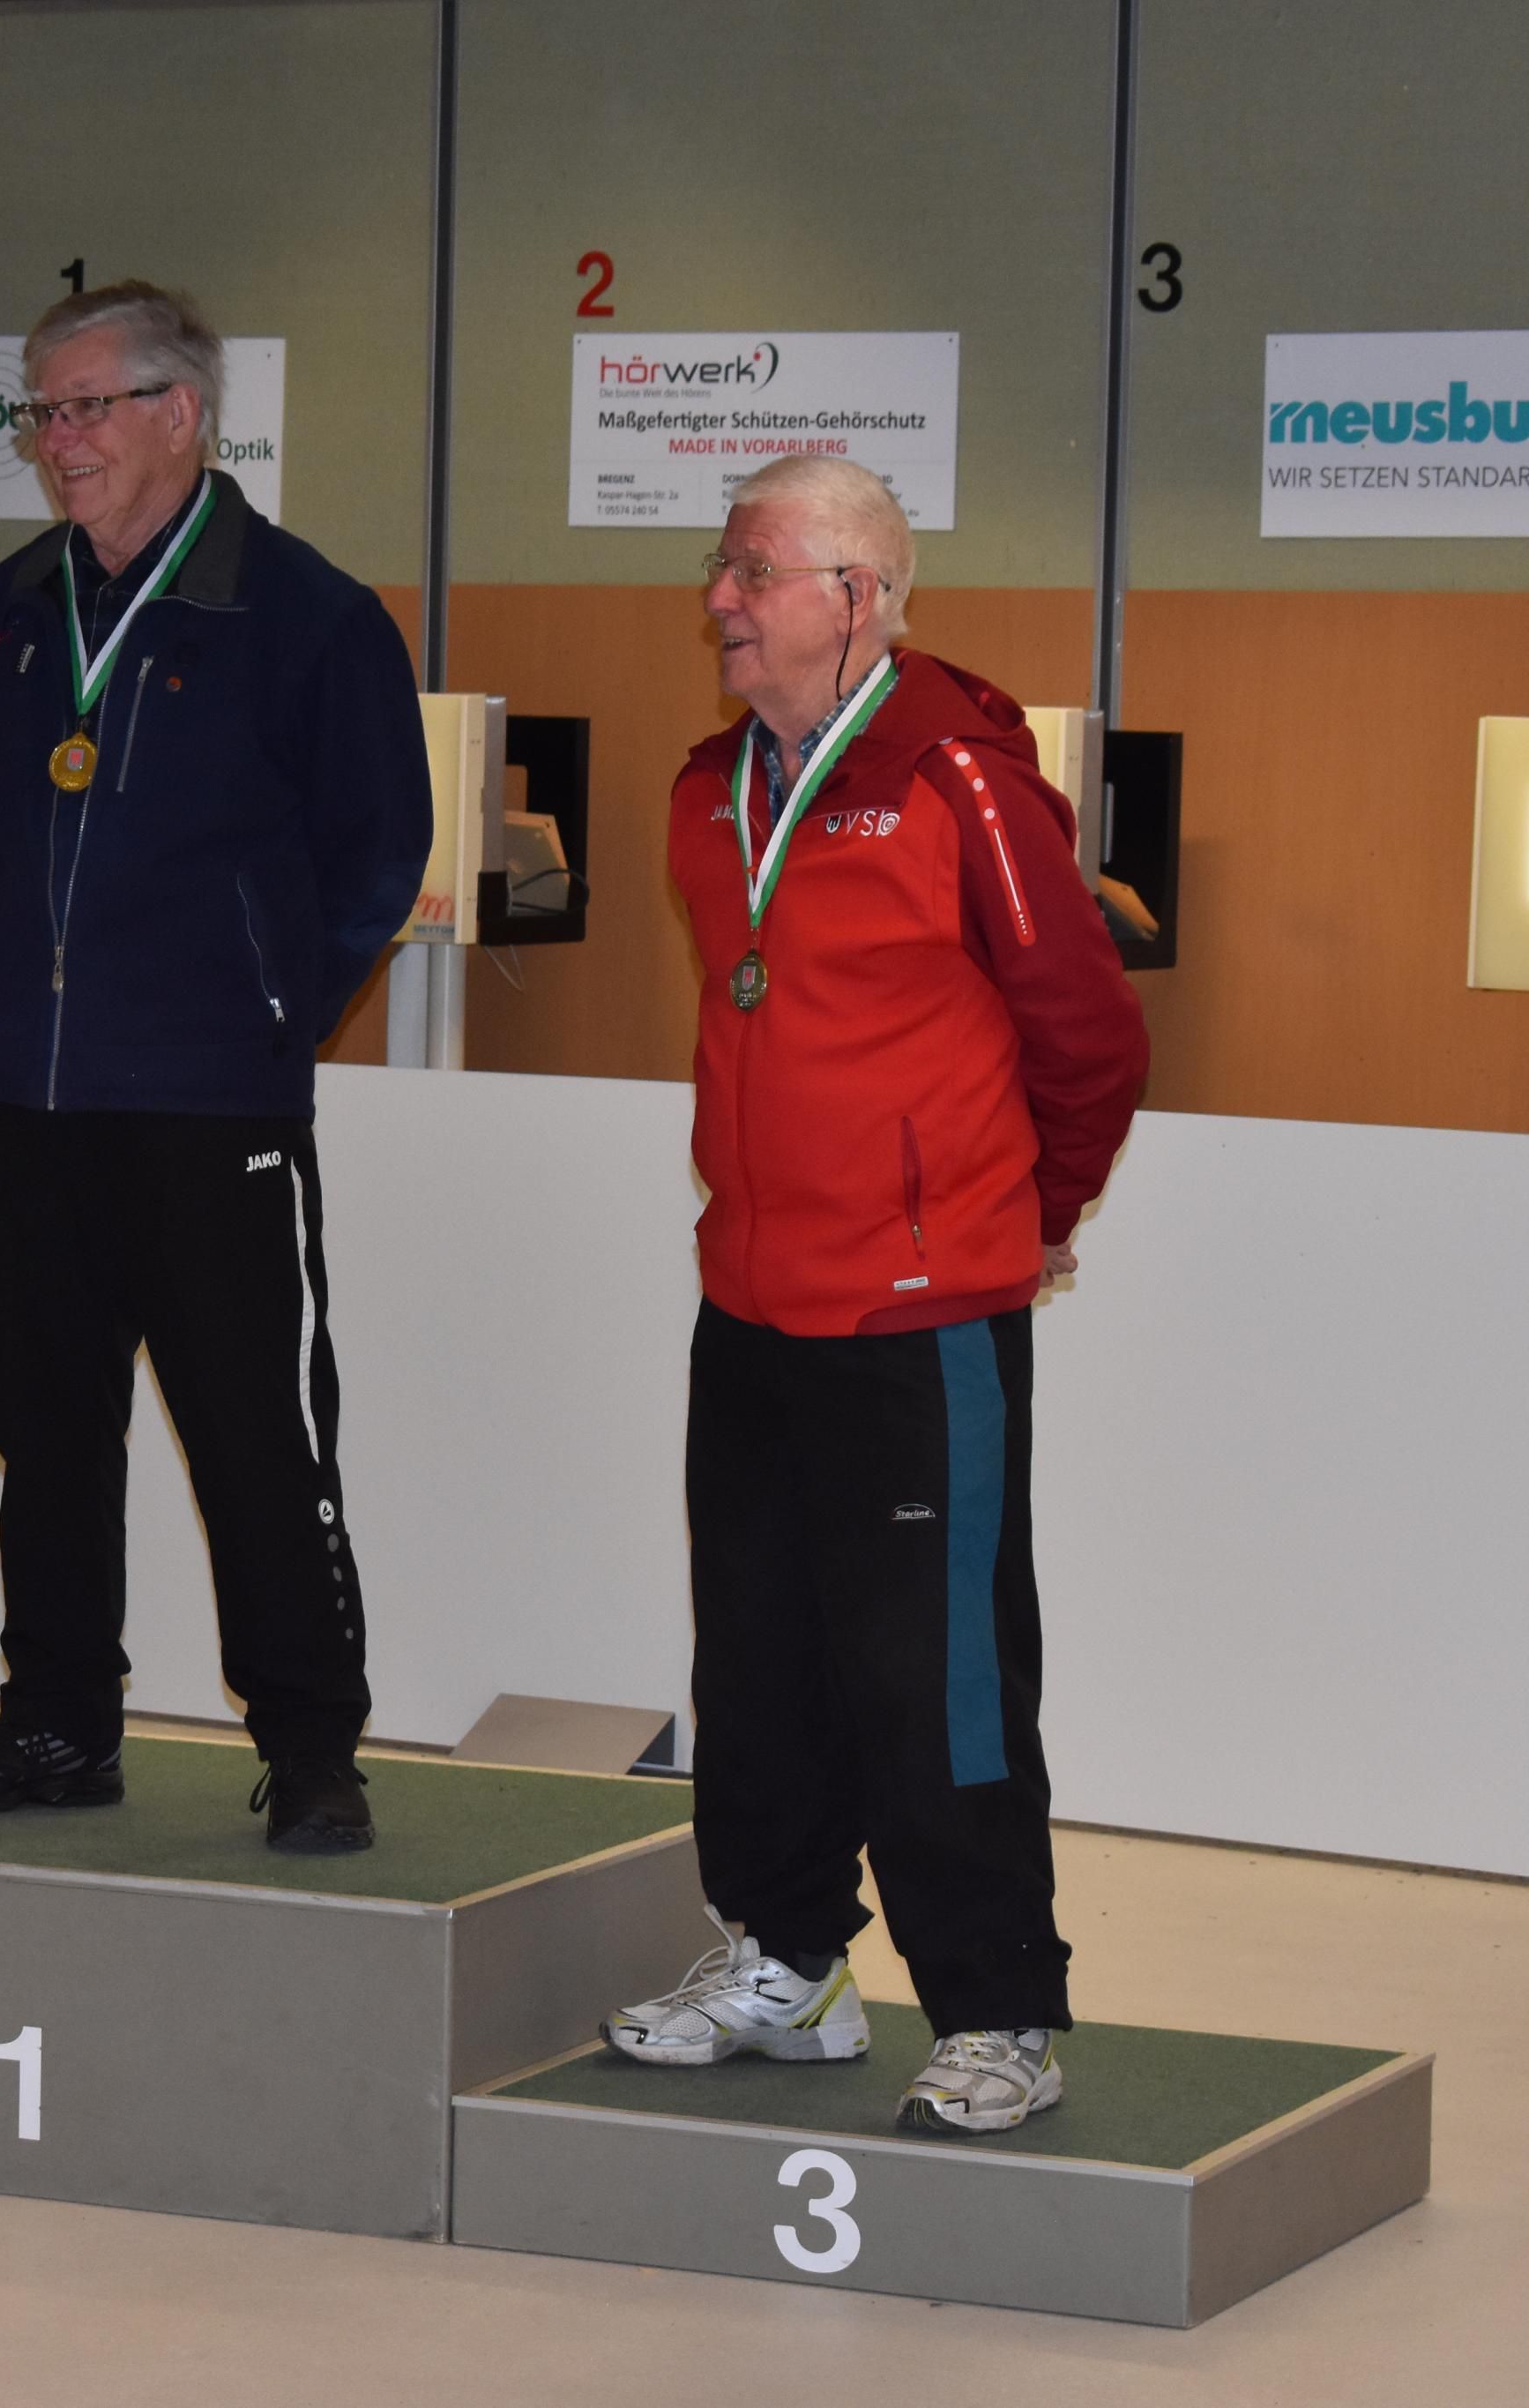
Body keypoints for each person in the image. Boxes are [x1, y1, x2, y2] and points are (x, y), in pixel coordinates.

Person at [600, 453, 1147, 2133]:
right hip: (751, 1304)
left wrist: (1025, 1216)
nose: (719, 599)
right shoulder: (711, 792)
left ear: (859, 596)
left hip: (922, 1319)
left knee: (939, 1676)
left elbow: (1090, 1035)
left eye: (753, 570)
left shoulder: (962, 780)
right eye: (721, 567)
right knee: (757, 1656)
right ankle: (787, 1960)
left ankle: (998, 2010)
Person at [0, 281, 430, 1854]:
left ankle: (310, 1742)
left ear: (181, 414)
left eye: (89, 407)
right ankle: (59, 1720)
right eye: (42, 413)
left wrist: (261, 1010)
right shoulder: (0, 622)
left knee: (253, 1434)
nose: (57, 441)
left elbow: (375, 854)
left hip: (211, 1109)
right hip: (31, 1102)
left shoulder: (308, 618)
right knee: (49, 1433)